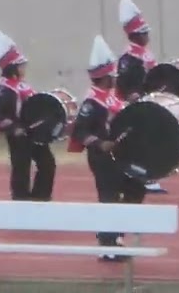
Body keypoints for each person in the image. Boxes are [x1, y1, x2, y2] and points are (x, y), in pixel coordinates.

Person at [69, 35, 145, 262]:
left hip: (120, 155)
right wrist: (100, 143)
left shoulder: (111, 97)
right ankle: (106, 243)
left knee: (136, 188)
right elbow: (80, 132)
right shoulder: (91, 102)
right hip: (102, 157)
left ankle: (117, 234)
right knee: (109, 196)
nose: (115, 78)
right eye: (111, 75)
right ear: (104, 77)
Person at [0, 29, 55, 202]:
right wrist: (14, 128)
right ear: (11, 67)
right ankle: (21, 200)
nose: (23, 68)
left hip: (34, 133)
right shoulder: (3, 89)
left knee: (47, 164)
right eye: (20, 65)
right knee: (21, 167)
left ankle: (40, 198)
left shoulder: (21, 84)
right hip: (19, 136)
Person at [114, 0, 165, 194]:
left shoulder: (144, 54)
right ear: (135, 35)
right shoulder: (129, 58)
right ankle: (140, 176)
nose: (147, 36)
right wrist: (132, 95)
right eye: (144, 33)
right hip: (136, 105)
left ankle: (147, 175)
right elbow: (124, 84)